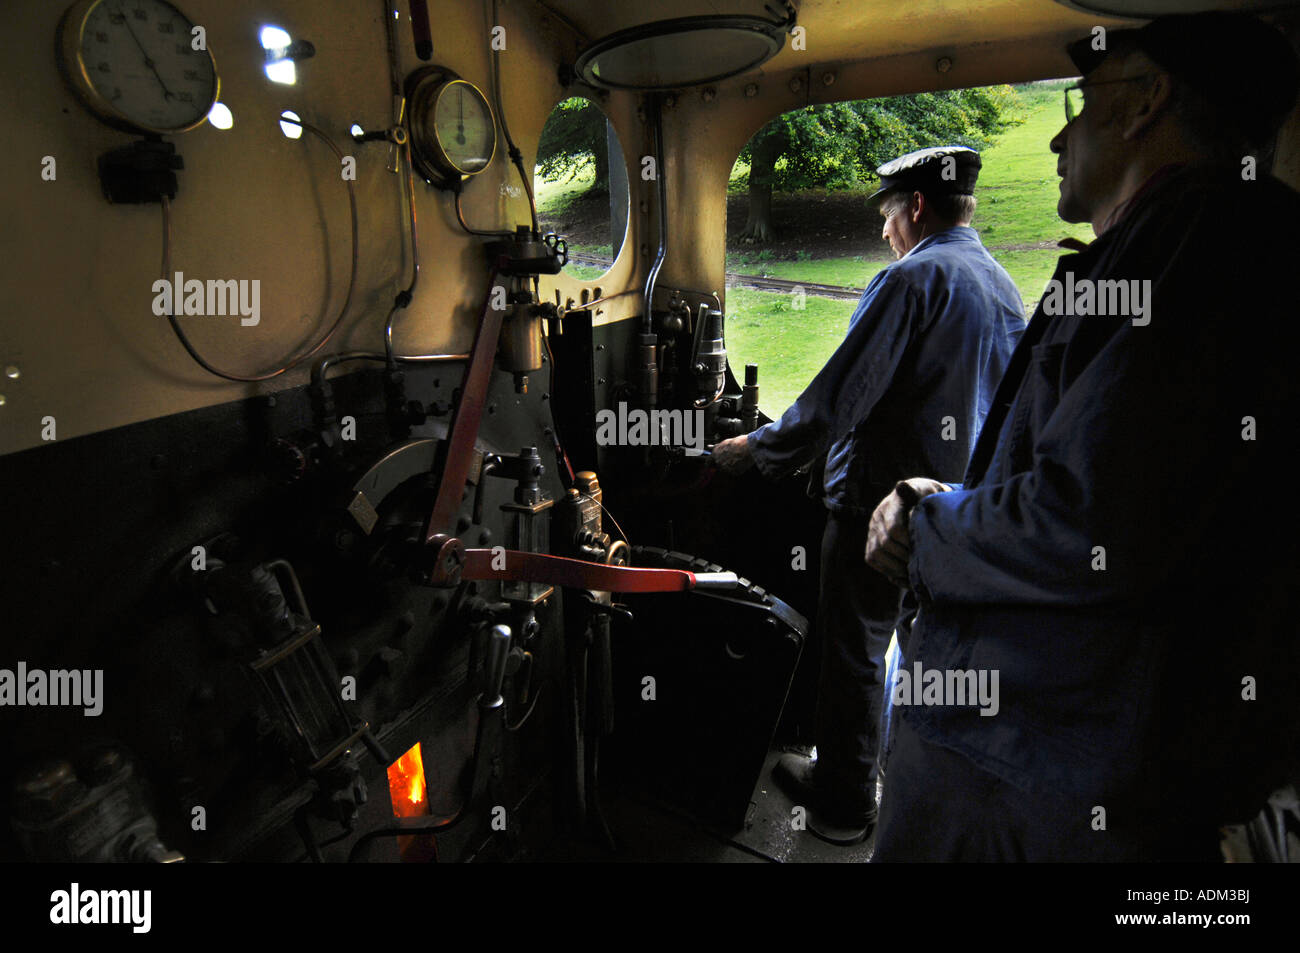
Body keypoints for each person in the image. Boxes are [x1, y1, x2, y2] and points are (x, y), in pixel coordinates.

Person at [866, 12, 1300, 862]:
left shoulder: (1198, 248)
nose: (1060, 138)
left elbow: (1099, 521)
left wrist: (928, 528)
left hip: (1050, 765)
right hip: (1065, 753)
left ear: (1145, 101)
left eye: (1081, 101)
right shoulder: (1177, 246)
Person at [712, 146, 1026, 844]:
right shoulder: (998, 281)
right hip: (950, 514)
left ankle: (843, 806)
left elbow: (837, 400)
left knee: (854, 654)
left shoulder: (910, 280)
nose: (885, 231)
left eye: (887, 214)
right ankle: (891, 782)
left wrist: (755, 451)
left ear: (914, 206)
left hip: (871, 510)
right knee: (916, 657)